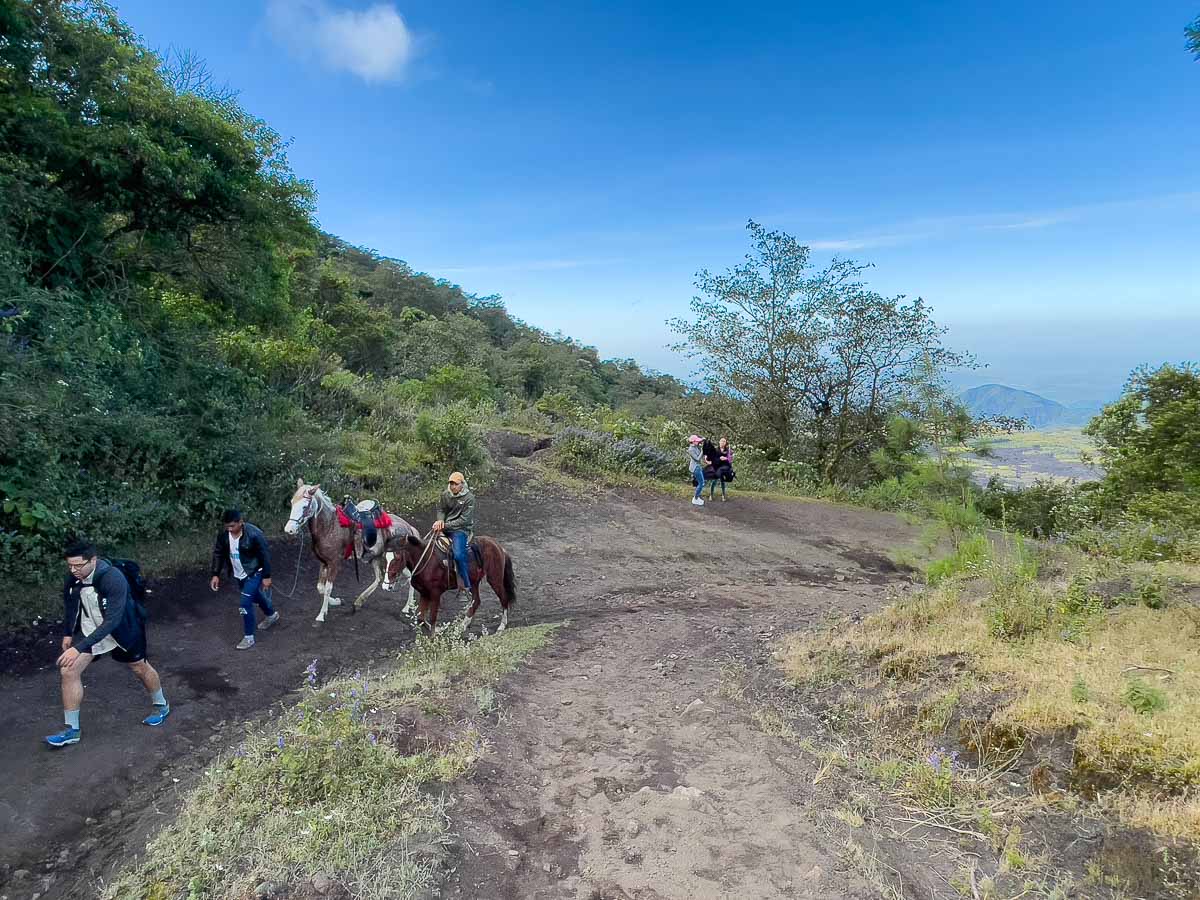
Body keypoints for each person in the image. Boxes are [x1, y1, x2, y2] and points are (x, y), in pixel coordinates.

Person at [46, 539, 170, 747]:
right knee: (68, 671)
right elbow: (70, 603)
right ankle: (72, 729)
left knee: (139, 667)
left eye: (78, 565)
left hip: (123, 629)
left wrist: (78, 648)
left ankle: (161, 705)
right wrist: (68, 633)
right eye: (70, 565)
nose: (74, 570)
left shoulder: (113, 578)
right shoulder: (74, 577)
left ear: (93, 560)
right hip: (91, 629)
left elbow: (113, 620)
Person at [210, 508, 277, 650]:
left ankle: (248, 637)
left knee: (245, 603)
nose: (229, 529)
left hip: (254, 572)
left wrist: (266, 576)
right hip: (239, 573)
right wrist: (215, 574)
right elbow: (218, 553)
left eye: (232, 526)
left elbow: (265, 555)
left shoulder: (254, 534)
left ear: (241, 522)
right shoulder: (224, 535)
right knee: (255, 597)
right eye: (227, 526)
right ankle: (271, 615)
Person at [432, 471, 475, 604]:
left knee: (458, 555)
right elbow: (441, 509)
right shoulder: (446, 495)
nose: (452, 487)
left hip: (460, 530)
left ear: (462, 484)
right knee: (429, 547)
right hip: (445, 526)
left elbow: (464, 520)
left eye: (455, 484)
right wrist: (439, 521)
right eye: (451, 484)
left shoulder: (469, 498)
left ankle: (466, 587)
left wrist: (444, 525)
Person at [710, 436, 735, 502]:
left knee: (722, 481)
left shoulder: (728, 450)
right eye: (721, 441)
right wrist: (719, 459)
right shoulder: (715, 450)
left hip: (724, 468)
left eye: (724, 441)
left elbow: (730, 459)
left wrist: (726, 458)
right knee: (714, 481)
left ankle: (723, 495)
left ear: (726, 443)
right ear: (719, 442)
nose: (722, 442)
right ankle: (711, 495)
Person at [686, 435, 709, 507]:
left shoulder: (695, 446)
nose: (699, 442)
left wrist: (703, 440)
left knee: (701, 482)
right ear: (693, 442)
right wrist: (703, 451)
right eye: (697, 441)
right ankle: (695, 499)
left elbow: (701, 440)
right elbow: (697, 459)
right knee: (701, 483)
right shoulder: (690, 450)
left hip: (698, 467)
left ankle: (697, 496)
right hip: (695, 468)